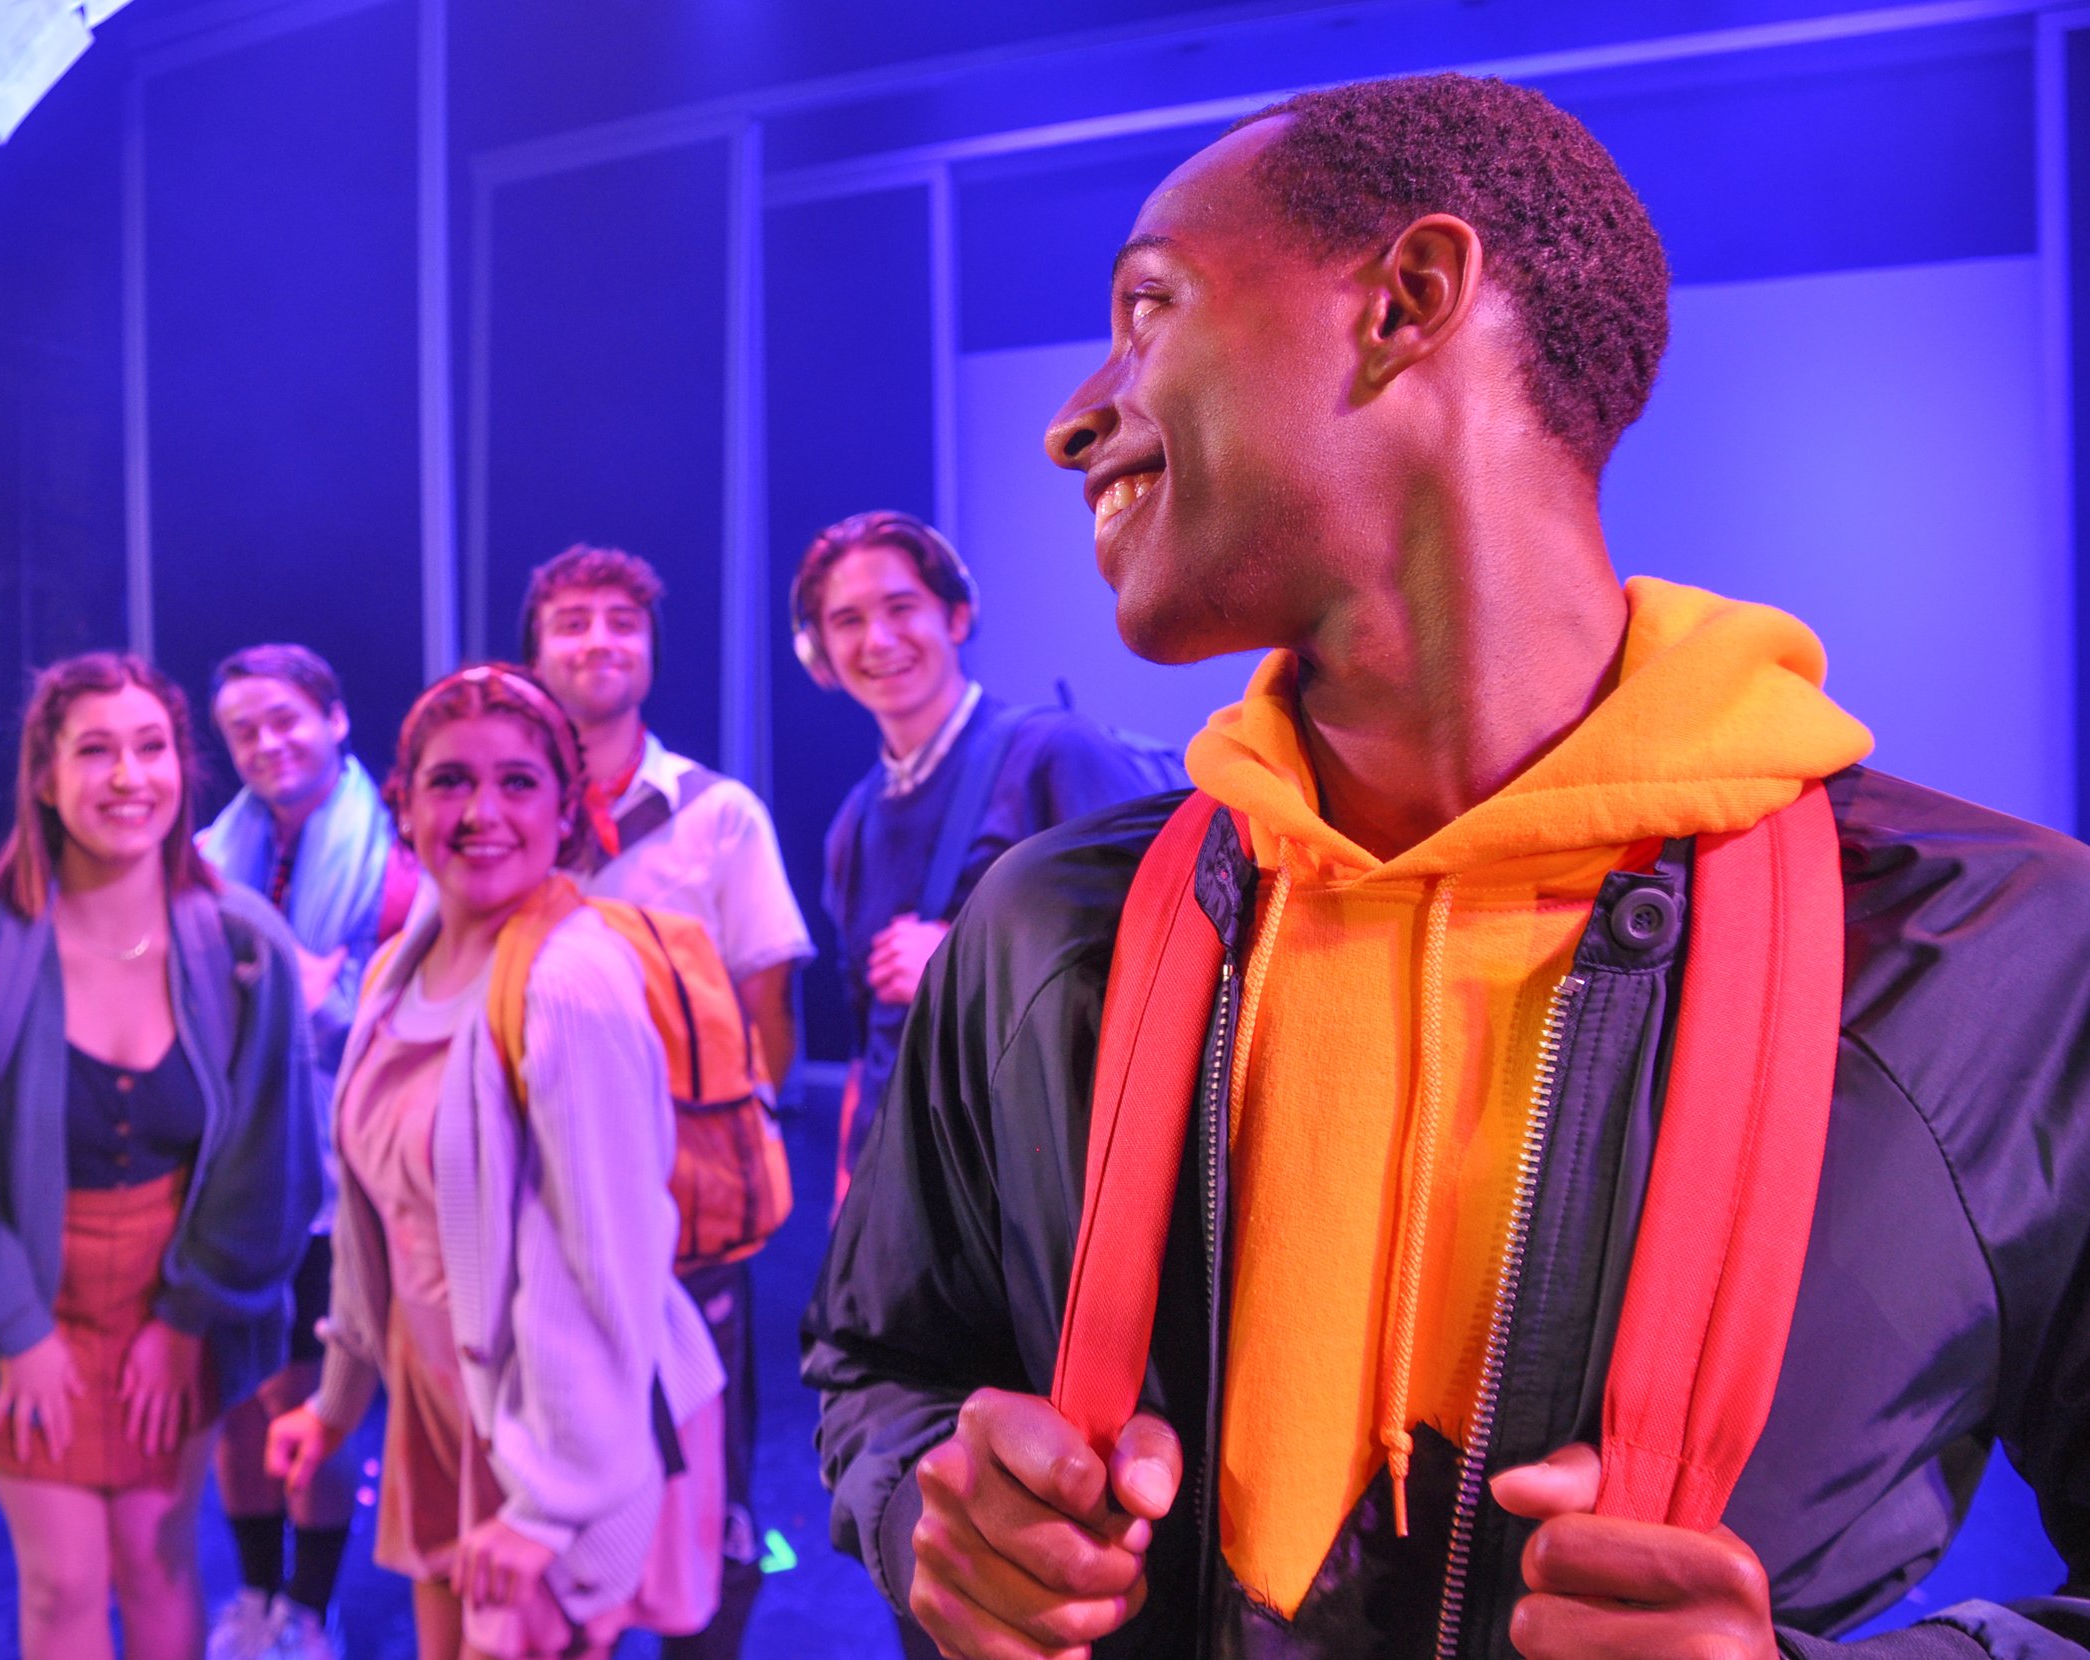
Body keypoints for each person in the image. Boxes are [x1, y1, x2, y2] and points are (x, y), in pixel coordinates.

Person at [803, 72, 2090, 1660]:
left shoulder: (2002, 956)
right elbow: (881, 1365)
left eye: (1149, 310)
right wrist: (932, 1504)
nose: (1077, 416)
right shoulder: (1045, 930)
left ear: (1409, 300)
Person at [265, 664, 726, 1660]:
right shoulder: (398, 969)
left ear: (565, 810)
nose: (483, 812)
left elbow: (611, 1261)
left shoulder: (571, 981)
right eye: (450, 781)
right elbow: (372, 1226)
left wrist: (552, 1503)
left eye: (518, 782)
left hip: (564, 1425)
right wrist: (336, 1402)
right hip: (444, 1408)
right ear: (404, 804)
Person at [0, 651, 320, 1660]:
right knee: (64, 1581)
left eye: (151, 747)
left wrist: (186, 1320)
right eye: (95, 750)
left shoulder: (242, 945)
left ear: (182, 768)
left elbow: (271, 1164)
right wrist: (15, 1328)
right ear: (44, 778)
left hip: (175, 1301)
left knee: (158, 1560)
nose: (129, 776)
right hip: (19, 1294)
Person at [522, 543, 814, 1660]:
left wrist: (734, 1161)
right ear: (535, 651)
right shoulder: (509, 814)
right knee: (553, 1491)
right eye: (572, 622)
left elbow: (768, 1005)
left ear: (650, 649)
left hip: (685, 1221)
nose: (598, 641)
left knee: (706, 1487)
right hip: (538, 1216)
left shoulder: (715, 814)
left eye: (621, 622)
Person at [791, 510, 1152, 1202]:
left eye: (902, 608)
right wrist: (849, 1197)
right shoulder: (851, 827)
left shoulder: (1053, 754)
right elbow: (871, 1044)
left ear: (957, 618)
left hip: (1042, 1182)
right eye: (847, 621)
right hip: (911, 1196)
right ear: (821, 655)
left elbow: (1165, 957)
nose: (879, 640)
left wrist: (964, 967)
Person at [199, 643, 421, 1660]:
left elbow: (392, 1020)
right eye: (242, 729)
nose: (266, 743)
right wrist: (306, 982)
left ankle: (310, 1606)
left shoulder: (400, 858)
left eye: (285, 718)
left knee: (311, 1404)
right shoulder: (204, 858)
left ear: (334, 719)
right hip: (223, 1174)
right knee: (235, 1405)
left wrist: (295, 987)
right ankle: (252, 1595)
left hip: (343, 1181)